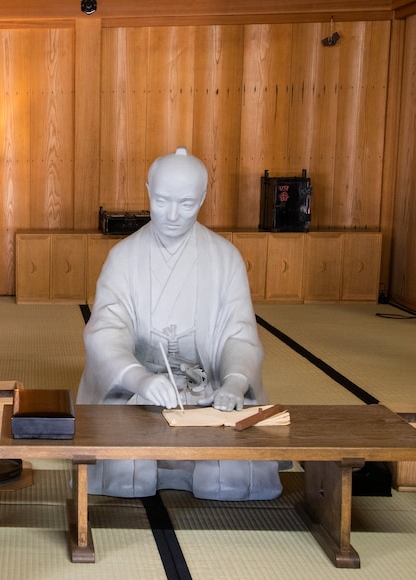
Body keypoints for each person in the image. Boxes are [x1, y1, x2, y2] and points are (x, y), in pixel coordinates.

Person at [78, 147, 281, 501]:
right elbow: (106, 331)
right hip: (137, 395)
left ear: (202, 198)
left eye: (186, 204)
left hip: (209, 392)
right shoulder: (124, 257)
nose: (172, 215)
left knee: (225, 480)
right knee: (129, 475)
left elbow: (239, 333)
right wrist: (139, 378)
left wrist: (234, 383)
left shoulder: (224, 258)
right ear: (147, 190)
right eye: (161, 201)